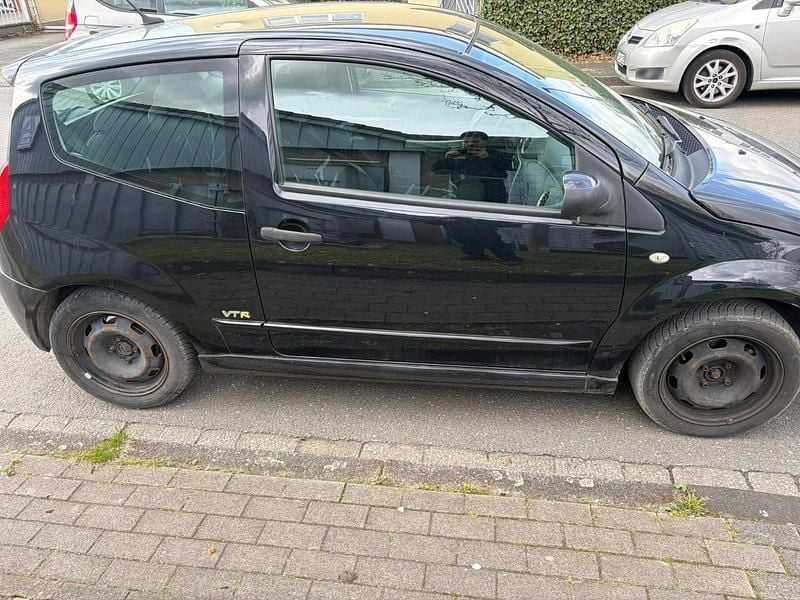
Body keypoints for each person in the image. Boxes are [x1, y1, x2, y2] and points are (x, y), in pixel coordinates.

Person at [431, 131, 512, 204]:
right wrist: (446, 158)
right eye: (466, 142)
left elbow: (511, 166)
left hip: (494, 194)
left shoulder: (495, 154)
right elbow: (436, 170)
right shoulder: (459, 155)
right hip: (468, 195)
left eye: (475, 141)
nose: (470, 144)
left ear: (485, 142)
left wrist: (488, 158)